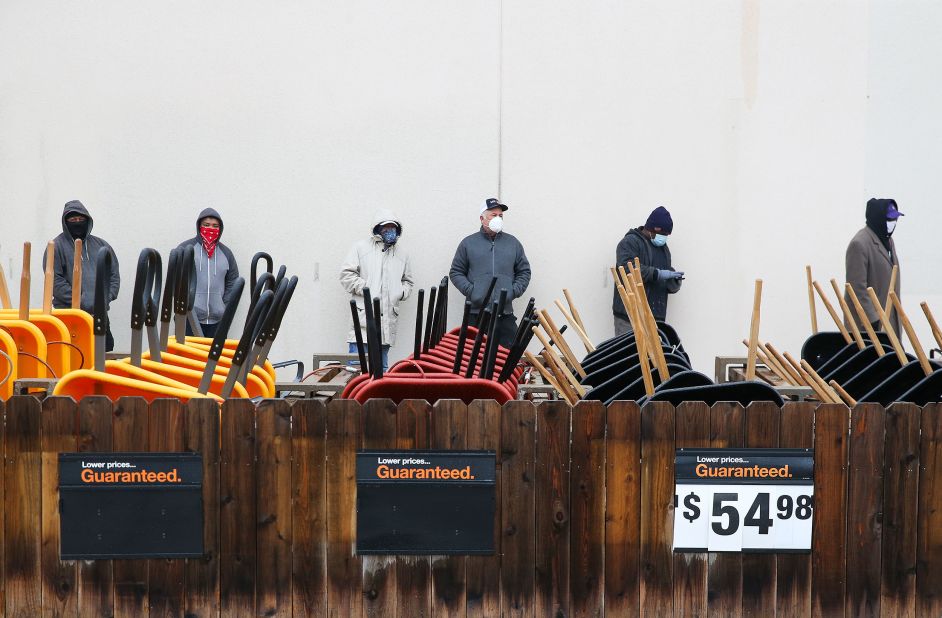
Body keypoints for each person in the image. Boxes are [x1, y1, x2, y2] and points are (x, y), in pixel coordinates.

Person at [449, 197, 531, 348]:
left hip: (505, 315)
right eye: (494, 215)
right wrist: (473, 292)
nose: (498, 218)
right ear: (482, 218)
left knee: (508, 359)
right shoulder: (468, 243)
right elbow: (456, 272)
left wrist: (512, 292)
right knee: (472, 362)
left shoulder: (513, 243)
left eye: (501, 216)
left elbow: (524, 272)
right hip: (475, 315)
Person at [340, 209, 414, 371]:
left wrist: (399, 292)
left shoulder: (402, 254)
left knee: (382, 371)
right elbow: (346, 275)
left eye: (393, 228)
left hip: (387, 322)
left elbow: (408, 282)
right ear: (378, 229)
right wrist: (366, 290)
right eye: (386, 228)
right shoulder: (360, 248)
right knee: (356, 370)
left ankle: (377, 398)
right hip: (363, 319)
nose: (390, 231)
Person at [46, 200, 121, 351]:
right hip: (69, 317)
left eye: (81, 219)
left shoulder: (101, 245)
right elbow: (55, 281)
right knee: (73, 356)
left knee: (102, 356)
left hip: (99, 316)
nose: (77, 223)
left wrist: (106, 297)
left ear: (88, 220)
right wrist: (81, 300)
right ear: (65, 222)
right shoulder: (56, 246)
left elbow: (113, 275)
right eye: (73, 220)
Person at [612, 206, 683, 335]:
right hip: (630, 317)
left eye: (667, 235)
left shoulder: (664, 249)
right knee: (629, 353)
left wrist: (673, 281)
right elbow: (627, 268)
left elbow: (663, 275)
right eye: (663, 234)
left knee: (653, 355)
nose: (665, 238)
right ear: (653, 229)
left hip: (655, 319)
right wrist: (656, 274)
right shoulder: (629, 243)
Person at [175, 208, 240, 338]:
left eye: (215, 226)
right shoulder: (185, 249)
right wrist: (186, 306)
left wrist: (224, 307)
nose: (211, 228)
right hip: (189, 318)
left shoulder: (226, 253)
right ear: (199, 226)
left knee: (213, 358)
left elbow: (233, 282)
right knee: (188, 358)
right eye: (206, 225)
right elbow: (175, 280)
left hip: (218, 321)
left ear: (220, 228)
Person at [844, 198, 903, 336]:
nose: (893, 223)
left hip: (890, 323)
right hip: (870, 330)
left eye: (895, 219)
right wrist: (874, 320)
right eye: (889, 219)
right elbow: (856, 289)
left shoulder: (887, 240)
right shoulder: (859, 244)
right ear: (878, 218)